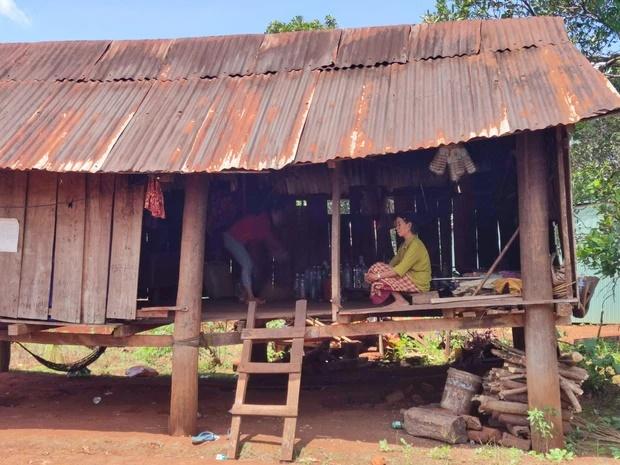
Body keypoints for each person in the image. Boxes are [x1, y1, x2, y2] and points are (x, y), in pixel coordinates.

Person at [223, 204, 288, 303]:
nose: (281, 219)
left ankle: (244, 295)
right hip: (232, 238)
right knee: (247, 265)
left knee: (249, 265)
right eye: (281, 215)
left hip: (234, 239)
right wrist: (281, 252)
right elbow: (270, 241)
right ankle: (250, 297)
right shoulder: (264, 221)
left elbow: (262, 242)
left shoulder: (264, 222)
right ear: (274, 212)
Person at [365, 212, 431, 308]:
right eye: (396, 225)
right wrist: (372, 275)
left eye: (399, 224)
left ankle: (400, 301)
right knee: (377, 268)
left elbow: (399, 270)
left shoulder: (416, 245)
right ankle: (396, 300)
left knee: (379, 270)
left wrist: (377, 276)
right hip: (408, 278)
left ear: (409, 226)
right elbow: (391, 265)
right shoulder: (404, 245)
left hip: (418, 283)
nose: (397, 228)